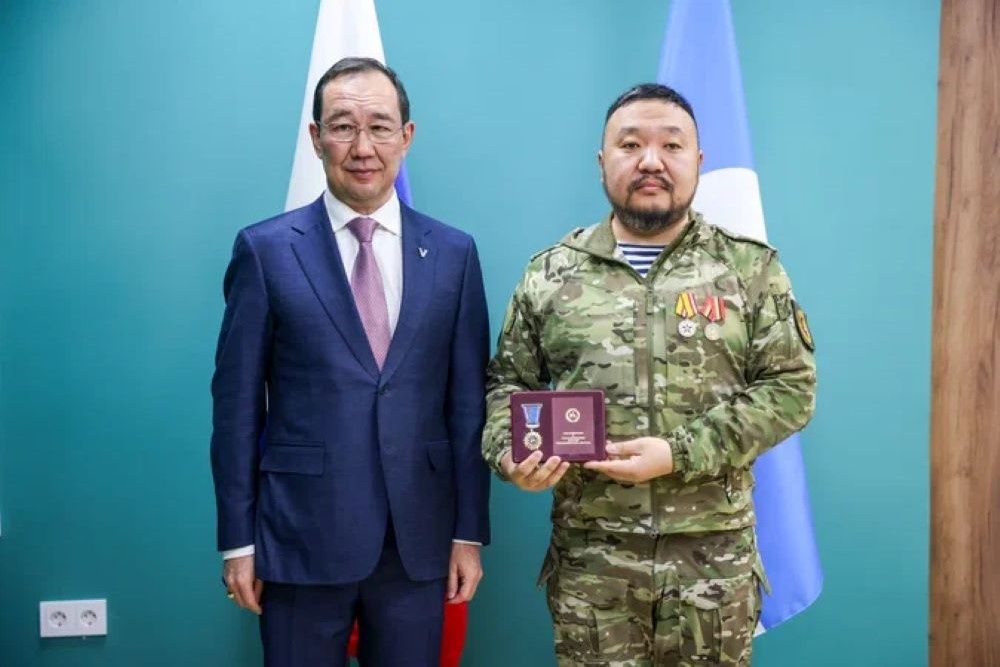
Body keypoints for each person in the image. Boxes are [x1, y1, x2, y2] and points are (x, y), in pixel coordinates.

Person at [482, 83, 816, 666]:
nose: (651, 161)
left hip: (712, 566)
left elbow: (790, 389)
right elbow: (506, 385)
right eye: (630, 144)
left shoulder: (748, 269)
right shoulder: (551, 274)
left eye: (672, 145)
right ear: (602, 161)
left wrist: (678, 452)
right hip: (594, 565)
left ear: (698, 161)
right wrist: (512, 454)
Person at [211, 57, 491, 667]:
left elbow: (469, 406)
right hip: (299, 537)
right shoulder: (265, 251)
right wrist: (237, 540)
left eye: (380, 127)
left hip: (418, 542)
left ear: (406, 136)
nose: (363, 147)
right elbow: (235, 409)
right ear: (316, 138)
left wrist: (468, 532)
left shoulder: (454, 253)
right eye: (342, 127)